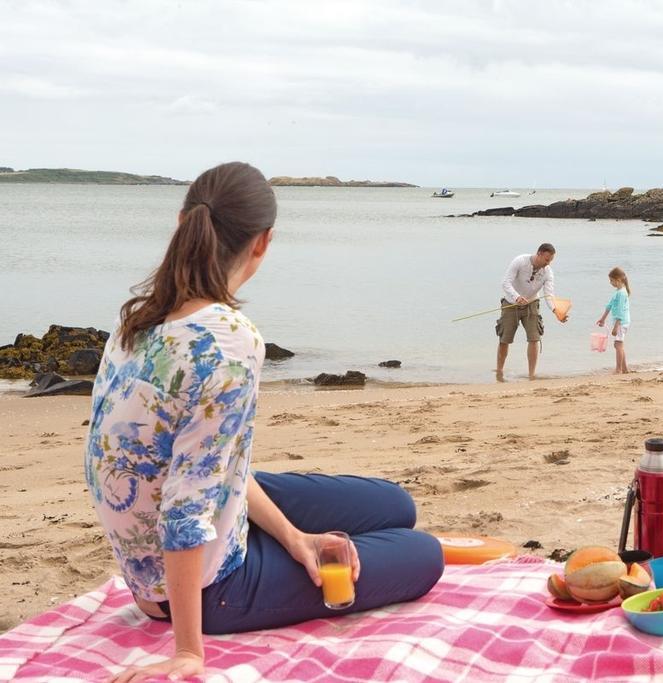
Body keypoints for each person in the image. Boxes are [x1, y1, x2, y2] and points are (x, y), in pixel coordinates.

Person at [85, 162, 444, 682]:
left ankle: (278, 542)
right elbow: (184, 507)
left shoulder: (135, 322)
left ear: (182, 221)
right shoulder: (229, 340)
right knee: (423, 554)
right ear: (263, 243)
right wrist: (188, 651)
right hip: (202, 590)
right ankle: (226, 592)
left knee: (396, 505)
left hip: (184, 546)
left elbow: (206, 463)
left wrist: (294, 536)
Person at [495, 243, 566, 380]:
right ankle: (499, 372)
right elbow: (505, 282)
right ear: (539, 253)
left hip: (532, 304)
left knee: (534, 338)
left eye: (551, 260)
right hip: (510, 303)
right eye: (546, 259)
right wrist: (516, 297)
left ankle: (531, 375)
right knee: (504, 340)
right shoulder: (520, 261)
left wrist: (556, 311)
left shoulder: (548, 272)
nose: (548, 263)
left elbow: (549, 294)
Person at [596, 266, 631, 374]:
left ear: (618, 279)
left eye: (611, 280)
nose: (610, 283)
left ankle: (619, 369)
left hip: (621, 322)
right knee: (618, 344)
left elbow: (620, 311)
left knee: (618, 344)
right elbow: (609, 306)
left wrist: (616, 326)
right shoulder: (618, 291)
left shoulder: (621, 293)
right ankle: (624, 369)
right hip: (620, 322)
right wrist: (602, 319)